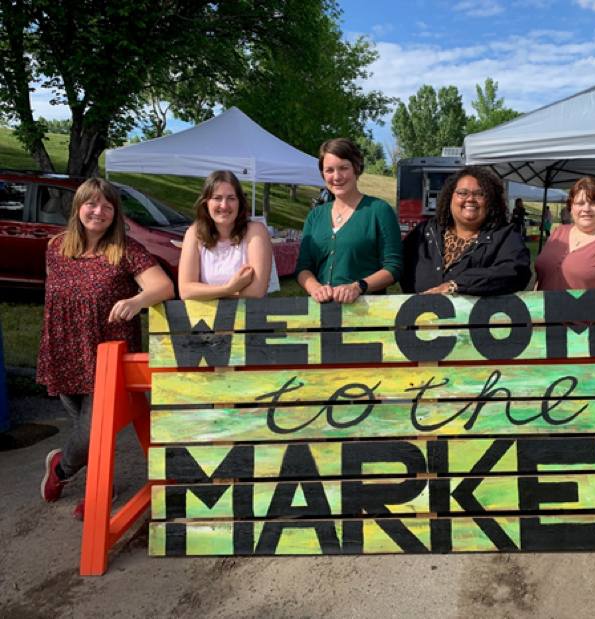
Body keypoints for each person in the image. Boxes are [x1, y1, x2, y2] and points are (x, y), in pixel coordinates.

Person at [37, 178, 174, 518]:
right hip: (66, 350)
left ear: (115, 213)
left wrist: (137, 299)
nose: (98, 212)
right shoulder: (56, 247)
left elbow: (164, 287)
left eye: (107, 207)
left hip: (108, 355)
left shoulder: (127, 250)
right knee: (91, 432)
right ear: (78, 207)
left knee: (92, 432)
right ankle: (104, 482)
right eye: (92, 204)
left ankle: (61, 470)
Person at [297, 137, 402, 303]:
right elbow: (303, 268)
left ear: (356, 168)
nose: (337, 176)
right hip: (321, 315)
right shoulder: (315, 216)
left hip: (366, 313)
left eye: (343, 168)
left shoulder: (379, 211)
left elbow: (394, 267)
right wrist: (315, 288)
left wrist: (358, 287)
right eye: (329, 170)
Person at [401, 165, 531, 295]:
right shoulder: (426, 231)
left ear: (491, 201)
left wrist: (456, 285)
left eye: (480, 194)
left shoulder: (505, 235)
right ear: (449, 197)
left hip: (478, 315)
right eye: (462, 193)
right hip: (420, 312)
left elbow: (516, 271)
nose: (470, 199)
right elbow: (396, 265)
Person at [178, 170, 277, 300]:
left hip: (249, 317)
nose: (224, 205)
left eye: (231, 198)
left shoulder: (256, 231)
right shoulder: (194, 233)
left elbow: (256, 292)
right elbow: (186, 291)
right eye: (217, 198)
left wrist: (206, 293)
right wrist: (230, 288)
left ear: (239, 202)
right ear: (206, 202)